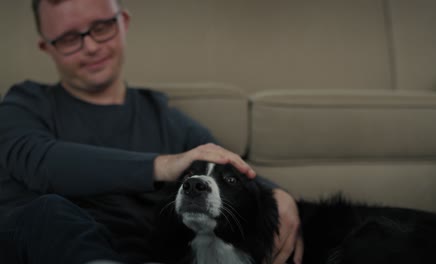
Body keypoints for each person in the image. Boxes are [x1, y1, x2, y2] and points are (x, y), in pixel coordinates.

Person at [0, 0, 303, 263]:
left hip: (139, 254)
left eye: (102, 27)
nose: (91, 46)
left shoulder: (164, 118)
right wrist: (163, 165)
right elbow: (38, 161)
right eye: (68, 38)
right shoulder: (26, 102)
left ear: (124, 22)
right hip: (43, 241)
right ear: (46, 47)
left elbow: (232, 171)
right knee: (50, 211)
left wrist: (279, 195)